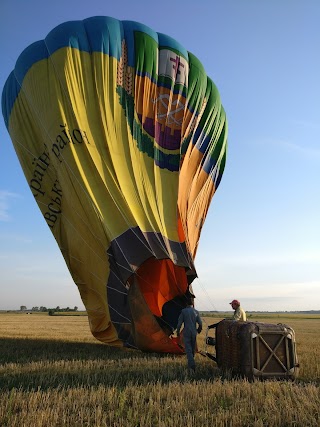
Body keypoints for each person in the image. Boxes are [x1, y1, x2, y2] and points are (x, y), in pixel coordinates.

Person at [176, 298, 202, 372]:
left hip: (187, 331)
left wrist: (178, 331)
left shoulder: (183, 311)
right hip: (194, 332)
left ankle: (192, 365)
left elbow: (179, 323)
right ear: (192, 304)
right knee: (193, 347)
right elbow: (200, 323)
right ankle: (191, 361)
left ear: (186, 304)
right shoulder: (196, 311)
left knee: (188, 348)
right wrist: (199, 329)